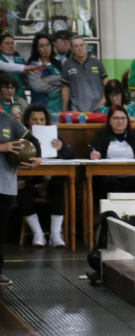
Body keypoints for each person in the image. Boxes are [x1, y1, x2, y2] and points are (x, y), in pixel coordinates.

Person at [18, 104, 72, 247]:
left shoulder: (53, 134)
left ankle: (55, 233)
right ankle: (38, 233)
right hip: (28, 178)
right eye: (34, 119)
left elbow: (71, 156)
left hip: (50, 179)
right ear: (28, 121)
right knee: (23, 193)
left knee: (58, 189)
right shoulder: (21, 135)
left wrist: (62, 148)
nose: (38, 123)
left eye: (42, 119)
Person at [0, 109, 42, 286]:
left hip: (5, 184)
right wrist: (2, 147)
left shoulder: (8, 120)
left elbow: (32, 140)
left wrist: (37, 157)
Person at [88, 106, 135, 200]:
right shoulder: (101, 136)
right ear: (109, 120)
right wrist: (93, 154)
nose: (120, 121)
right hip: (109, 176)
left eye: (123, 118)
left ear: (127, 120)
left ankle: (134, 214)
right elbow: (93, 151)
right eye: (116, 118)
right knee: (110, 184)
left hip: (132, 175)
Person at [61, 37, 108, 112]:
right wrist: (64, 109)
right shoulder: (67, 65)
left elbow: (106, 82)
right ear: (72, 49)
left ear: (86, 46)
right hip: (77, 109)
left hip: (98, 107)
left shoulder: (96, 62)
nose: (79, 48)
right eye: (76, 46)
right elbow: (66, 88)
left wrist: (104, 99)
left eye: (81, 45)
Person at [27, 33, 63, 113]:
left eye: (47, 45)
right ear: (37, 49)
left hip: (60, 110)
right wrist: (62, 88)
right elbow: (38, 87)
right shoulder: (33, 66)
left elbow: (67, 80)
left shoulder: (60, 64)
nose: (45, 48)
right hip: (41, 110)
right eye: (42, 46)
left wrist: (50, 79)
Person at [0, 33, 27, 100]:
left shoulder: (20, 60)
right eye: (7, 43)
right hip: (2, 97)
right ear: (0, 46)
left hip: (20, 96)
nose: (11, 46)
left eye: (12, 43)